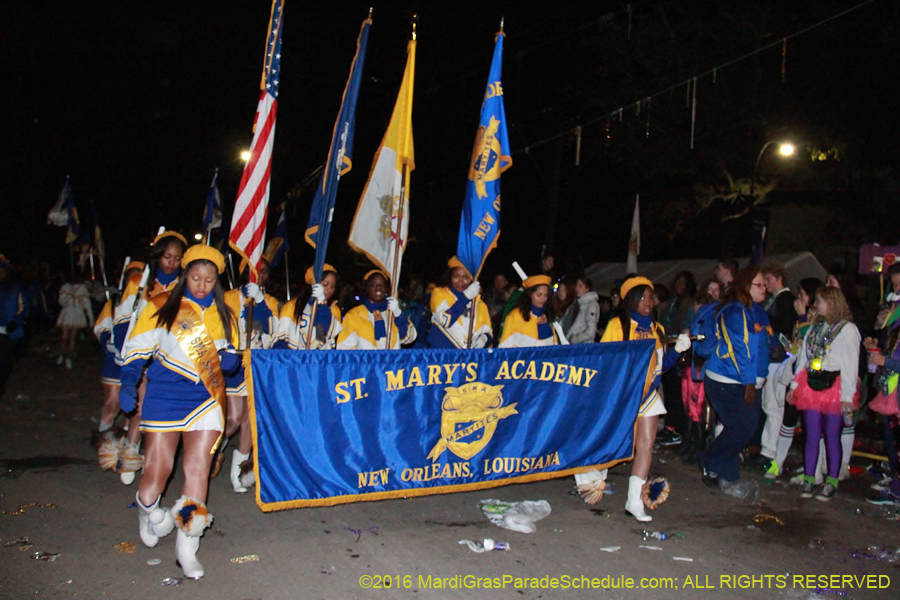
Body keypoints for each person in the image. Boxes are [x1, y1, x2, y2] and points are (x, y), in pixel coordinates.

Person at [119, 244, 239, 579]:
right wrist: (129, 381)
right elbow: (136, 350)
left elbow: (227, 352)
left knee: (198, 470)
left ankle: (187, 546)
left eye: (208, 279)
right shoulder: (160, 306)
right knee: (157, 473)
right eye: (196, 277)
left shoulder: (224, 313)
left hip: (205, 399)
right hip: (165, 396)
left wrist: (231, 360)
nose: (201, 285)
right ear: (186, 275)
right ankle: (147, 511)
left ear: (215, 280)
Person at [586, 276, 690, 519]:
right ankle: (591, 473)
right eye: (642, 298)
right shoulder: (617, 326)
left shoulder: (658, 330)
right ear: (631, 300)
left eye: (650, 297)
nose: (648, 302)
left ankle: (634, 501)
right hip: (621, 395)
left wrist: (677, 350)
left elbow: (660, 366)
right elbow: (604, 362)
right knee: (611, 441)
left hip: (647, 394)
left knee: (646, 445)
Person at [700, 267, 770, 496]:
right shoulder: (734, 312)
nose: (764, 288)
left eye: (765, 284)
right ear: (745, 286)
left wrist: (760, 377)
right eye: (759, 284)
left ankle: (726, 475)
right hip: (726, 378)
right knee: (742, 427)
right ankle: (711, 462)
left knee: (742, 427)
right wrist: (750, 382)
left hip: (745, 379)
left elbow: (760, 346)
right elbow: (740, 349)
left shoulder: (755, 311)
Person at [785, 286, 860, 501]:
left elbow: (850, 364)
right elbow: (803, 359)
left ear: (832, 302)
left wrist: (847, 396)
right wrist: (794, 387)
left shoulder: (847, 330)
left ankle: (831, 482)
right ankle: (809, 480)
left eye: (819, 301)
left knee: (832, 436)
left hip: (834, 386)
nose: (815, 305)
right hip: (811, 384)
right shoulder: (814, 328)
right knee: (811, 434)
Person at [219, 257, 278, 493]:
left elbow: (274, 333)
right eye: (255, 271)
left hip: (257, 365)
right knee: (233, 419)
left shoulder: (271, 301)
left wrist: (261, 303)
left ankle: (240, 473)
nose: (260, 275)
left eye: (264, 271)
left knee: (249, 421)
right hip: (234, 364)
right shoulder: (228, 297)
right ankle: (213, 449)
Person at [765, 277, 825, 480]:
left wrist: (802, 316)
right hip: (796, 371)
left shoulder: (819, 317)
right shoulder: (805, 315)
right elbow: (800, 342)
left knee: (812, 425)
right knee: (788, 417)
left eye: (802, 294)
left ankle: (815, 472)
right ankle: (777, 463)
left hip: (815, 376)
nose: (799, 298)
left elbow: (814, 343)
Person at [753, 260, 798, 469]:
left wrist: (765, 328)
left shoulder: (785, 299)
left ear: (779, 279)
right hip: (772, 358)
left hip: (778, 359)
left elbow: (784, 328)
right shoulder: (776, 299)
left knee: (773, 406)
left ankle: (769, 451)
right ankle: (767, 448)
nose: (766, 284)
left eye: (769, 280)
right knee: (769, 404)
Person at [656, 271, 697, 447]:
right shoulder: (670, 304)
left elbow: (686, 326)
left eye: (683, 282)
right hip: (667, 349)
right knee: (670, 391)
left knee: (678, 394)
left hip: (680, 351)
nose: (679, 285)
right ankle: (670, 426)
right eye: (677, 281)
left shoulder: (688, 303)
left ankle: (677, 428)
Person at [337, 270, 416, 350]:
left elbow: (409, 338)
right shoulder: (353, 315)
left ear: (386, 289)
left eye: (382, 284)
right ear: (367, 288)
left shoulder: (393, 314)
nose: (378, 287)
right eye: (373, 284)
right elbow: (343, 349)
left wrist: (398, 315)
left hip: (390, 362)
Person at [427, 257, 492, 349]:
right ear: (450, 277)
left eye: (466, 277)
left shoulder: (479, 303)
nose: (460, 281)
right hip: (442, 356)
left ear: (471, 279)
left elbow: (488, 332)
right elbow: (444, 320)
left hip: (468, 359)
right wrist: (466, 297)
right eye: (456, 276)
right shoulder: (439, 293)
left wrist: (484, 338)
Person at [274, 264, 342, 350]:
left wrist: (321, 303)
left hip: (317, 359)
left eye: (332, 286)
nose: (329, 289)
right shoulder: (292, 306)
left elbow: (324, 333)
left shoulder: (333, 310)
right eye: (325, 284)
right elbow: (281, 337)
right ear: (313, 283)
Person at [499, 275, 558, 348]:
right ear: (530, 294)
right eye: (539, 295)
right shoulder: (515, 315)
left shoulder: (547, 315)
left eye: (545, 295)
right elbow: (505, 347)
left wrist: (546, 333)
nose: (543, 299)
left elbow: (554, 349)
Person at [0, 255, 27, 401]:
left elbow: (23, 309)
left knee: (4, 362)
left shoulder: (13, 289)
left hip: (8, 331)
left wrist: (15, 322)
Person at [56, 272, 92, 369]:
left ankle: (69, 358)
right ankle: (62, 354)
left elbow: (87, 304)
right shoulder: (65, 287)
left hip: (77, 313)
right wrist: (70, 298)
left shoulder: (82, 288)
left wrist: (90, 319)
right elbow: (61, 301)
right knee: (64, 337)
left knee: (72, 337)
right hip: (67, 312)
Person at [566, 277, 600, 345]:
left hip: (583, 347)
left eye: (580, 286)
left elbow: (591, 331)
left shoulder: (591, 305)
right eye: (577, 285)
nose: (577, 288)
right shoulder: (580, 304)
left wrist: (574, 339)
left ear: (587, 288)